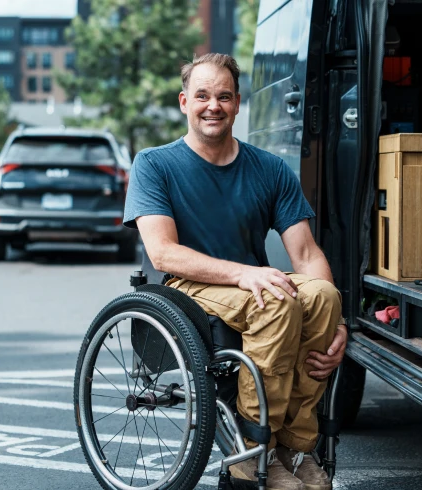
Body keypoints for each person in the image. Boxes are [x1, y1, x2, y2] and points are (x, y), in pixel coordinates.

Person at [123, 53, 346, 490]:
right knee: (276, 303)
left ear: (238, 104)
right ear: (184, 102)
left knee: (322, 296)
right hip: (187, 286)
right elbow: (164, 253)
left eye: (223, 97)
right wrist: (245, 274)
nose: (213, 106)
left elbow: (305, 254)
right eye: (202, 96)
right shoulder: (155, 164)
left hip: (250, 284)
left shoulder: (269, 169)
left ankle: (294, 450)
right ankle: (251, 452)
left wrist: (337, 325)